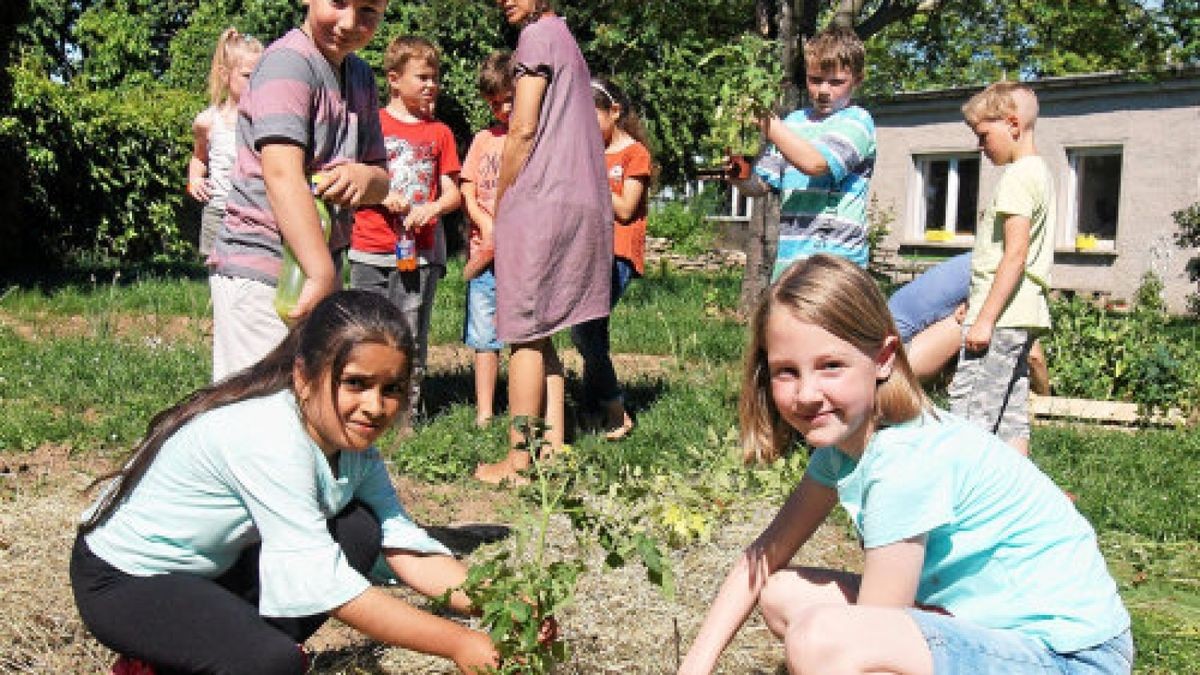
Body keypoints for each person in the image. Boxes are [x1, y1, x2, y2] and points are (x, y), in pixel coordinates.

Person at [678, 254, 1132, 675]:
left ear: (882, 358)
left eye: (830, 365)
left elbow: (869, 630)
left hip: (1070, 656)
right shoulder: (844, 445)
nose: (807, 393)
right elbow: (761, 559)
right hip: (981, 624)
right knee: (780, 594)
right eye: (787, 371)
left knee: (823, 640)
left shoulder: (903, 461)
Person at [70, 291, 499, 675]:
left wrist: (503, 607)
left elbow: (405, 546)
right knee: (271, 662)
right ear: (303, 376)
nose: (375, 406)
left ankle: (202, 647)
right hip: (124, 580)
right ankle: (159, 659)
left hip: (208, 572)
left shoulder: (353, 446)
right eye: (355, 383)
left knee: (360, 529)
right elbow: (321, 582)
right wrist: (459, 642)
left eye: (392, 389)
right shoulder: (271, 439)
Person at [206, 0, 391, 382]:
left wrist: (363, 178)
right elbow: (281, 173)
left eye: (368, 11)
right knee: (256, 400)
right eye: (338, 3)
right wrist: (319, 271)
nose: (349, 22)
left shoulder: (360, 76)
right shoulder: (288, 63)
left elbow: (382, 179)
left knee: (306, 398)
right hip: (264, 269)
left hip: (318, 267)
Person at [475, 0, 613, 484]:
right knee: (545, 326)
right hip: (580, 199)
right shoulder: (565, 38)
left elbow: (523, 127)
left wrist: (502, 198)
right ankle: (550, 446)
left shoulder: (535, 38)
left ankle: (517, 462)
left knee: (524, 333)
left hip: (542, 199)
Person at [349, 35, 462, 432]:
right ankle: (360, 408)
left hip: (420, 252)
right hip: (369, 245)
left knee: (409, 333)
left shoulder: (440, 133)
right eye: (422, 77)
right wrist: (384, 195)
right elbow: (355, 178)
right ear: (394, 79)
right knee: (363, 330)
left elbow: (452, 193)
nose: (431, 84)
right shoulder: (372, 124)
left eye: (435, 77)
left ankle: (403, 419)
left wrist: (431, 208)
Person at [949, 81, 1055, 456]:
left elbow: (1014, 255)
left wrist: (985, 318)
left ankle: (963, 498)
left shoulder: (1017, 177)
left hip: (1003, 317)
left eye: (983, 135)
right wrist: (975, 303)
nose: (980, 147)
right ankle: (1019, 492)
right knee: (1009, 412)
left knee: (970, 412)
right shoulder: (1039, 172)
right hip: (1021, 313)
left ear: (1012, 124)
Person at [730, 25, 875, 280]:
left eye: (836, 82)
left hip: (837, 264)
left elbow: (816, 163)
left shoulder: (857, 122)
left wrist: (767, 123)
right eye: (816, 79)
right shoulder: (793, 123)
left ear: (857, 80)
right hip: (790, 262)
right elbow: (761, 185)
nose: (824, 91)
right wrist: (738, 174)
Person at [569, 76, 651, 441]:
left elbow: (626, 209)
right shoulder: (590, 154)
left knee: (584, 330)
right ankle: (594, 411)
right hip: (587, 252)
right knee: (592, 332)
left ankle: (618, 411)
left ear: (614, 111)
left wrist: (592, 174)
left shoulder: (635, 154)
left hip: (617, 254)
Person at [889, 252, 1050, 391]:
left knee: (976, 317)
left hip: (882, 348)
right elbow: (1034, 356)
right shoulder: (1001, 273)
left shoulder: (977, 260)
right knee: (972, 320)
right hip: (896, 361)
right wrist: (1046, 400)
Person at [460, 50, 513, 429]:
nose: (502, 109)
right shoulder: (483, 140)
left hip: (521, 255)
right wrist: (483, 221)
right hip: (483, 251)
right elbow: (468, 188)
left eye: (509, 100)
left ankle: (528, 408)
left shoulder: (534, 140)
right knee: (484, 335)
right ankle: (484, 411)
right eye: (494, 103)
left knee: (528, 335)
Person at [186, 28, 262, 258]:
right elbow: (199, 157)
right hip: (218, 211)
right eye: (248, 75)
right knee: (216, 274)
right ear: (224, 74)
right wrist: (195, 179)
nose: (256, 82)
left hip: (256, 213)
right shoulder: (208, 121)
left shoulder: (267, 120)